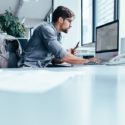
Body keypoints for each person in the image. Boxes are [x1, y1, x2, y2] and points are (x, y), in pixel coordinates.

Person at [19, 6, 99, 68]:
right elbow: (64, 56)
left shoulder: (58, 35)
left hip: (38, 68)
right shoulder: (46, 29)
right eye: (69, 21)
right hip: (28, 68)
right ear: (60, 19)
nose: (71, 25)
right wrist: (87, 60)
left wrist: (67, 54)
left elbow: (56, 60)